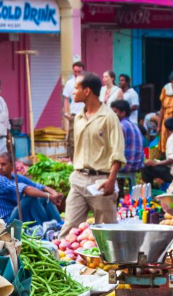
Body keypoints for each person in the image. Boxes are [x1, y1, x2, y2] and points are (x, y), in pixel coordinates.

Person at [62, 72, 125, 233]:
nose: (73, 92)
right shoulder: (78, 118)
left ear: (87, 91)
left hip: (101, 182)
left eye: (76, 88)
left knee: (106, 232)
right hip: (78, 179)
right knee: (69, 229)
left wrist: (111, 180)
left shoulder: (109, 117)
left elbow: (117, 152)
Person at [0, 152, 61, 225]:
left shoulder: (14, 177)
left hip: (15, 215)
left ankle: (59, 224)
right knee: (31, 198)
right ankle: (44, 227)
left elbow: (37, 186)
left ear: (12, 165)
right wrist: (49, 196)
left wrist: (54, 193)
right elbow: (26, 189)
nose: (0, 167)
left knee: (44, 198)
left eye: (3, 164)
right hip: (5, 223)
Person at [142, 116, 173, 188]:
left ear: (166, 129)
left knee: (146, 168)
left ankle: (150, 190)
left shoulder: (172, 139)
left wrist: (156, 163)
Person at [113, 101, 145, 177]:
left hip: (125, 165)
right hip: (137, 165)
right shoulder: (135, 126)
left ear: (123, 113)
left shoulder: (121, 126)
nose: (112, 114)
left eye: (115, 112)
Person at [62, 59, 85, 158]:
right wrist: (66, 112)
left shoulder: (86, 82)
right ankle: (73, 158)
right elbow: (66, 98)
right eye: (75, 71)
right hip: (74, 113)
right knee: (72, 137)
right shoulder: (69, 83)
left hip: (85, 113)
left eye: (79, 72)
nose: (76, 73)